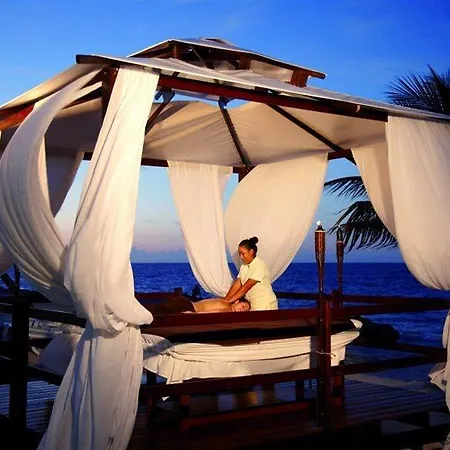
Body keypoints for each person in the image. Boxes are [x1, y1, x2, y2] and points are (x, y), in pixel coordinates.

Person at [223, 236, 278, 310]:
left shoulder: (259, 265)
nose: (241, 257)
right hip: (253, 305)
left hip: (265, 304)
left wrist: (228, 301)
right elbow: (236, 285)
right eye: (239, 254)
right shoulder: (244, 267)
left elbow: (246, 287)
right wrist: (225, 301)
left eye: (243, 254)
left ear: (251, 252)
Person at [146, 296, 251, 316]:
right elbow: (212, 313)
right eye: (244, 306)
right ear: (237, 301)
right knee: (152, 312)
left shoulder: (223, 300)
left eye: (246, 310)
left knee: (154, 310)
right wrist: (193, 314)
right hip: (187, 306)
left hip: (185, 302)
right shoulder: (228, 308)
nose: (243, 309)